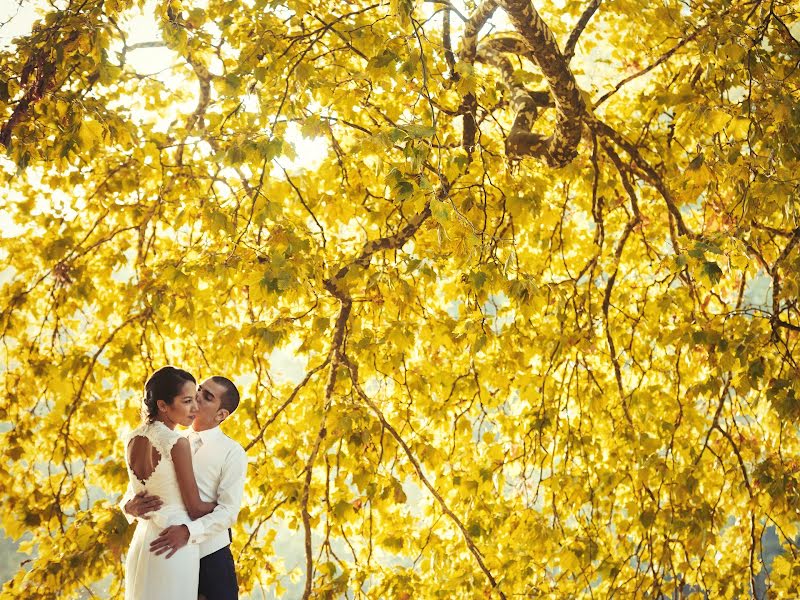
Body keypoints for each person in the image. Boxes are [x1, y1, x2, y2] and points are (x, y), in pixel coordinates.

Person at [123, 375, 247, 600]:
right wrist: (128, 506)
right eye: (198, 390)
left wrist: (189, 532)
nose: (197, 397)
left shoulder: (233, 452)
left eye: (207, 397)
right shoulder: (170, 439)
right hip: (164, 548)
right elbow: (142, 486)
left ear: (221, 415)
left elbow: (229, 512)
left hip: (211, 555)